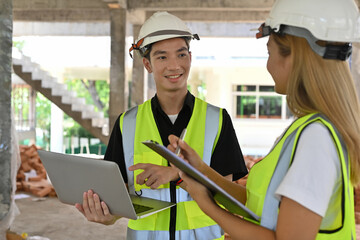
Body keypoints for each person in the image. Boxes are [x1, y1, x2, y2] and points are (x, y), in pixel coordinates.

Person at [168, 0, 360, 239]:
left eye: (270, 52)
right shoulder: (308, 129)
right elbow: (259, 204)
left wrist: (206, 204)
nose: (268, 65)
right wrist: (202, 171)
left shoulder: (316, 139)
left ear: (294, 56)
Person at [75, 11, 248, 240]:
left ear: (190, 57)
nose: (174, 65)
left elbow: (227, 194)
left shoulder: (217, 120)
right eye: (162, 57)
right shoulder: (127, 124)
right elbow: (118, 199)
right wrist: (108, 215)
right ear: (147, 64)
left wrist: (176, 174)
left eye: (181, 54)